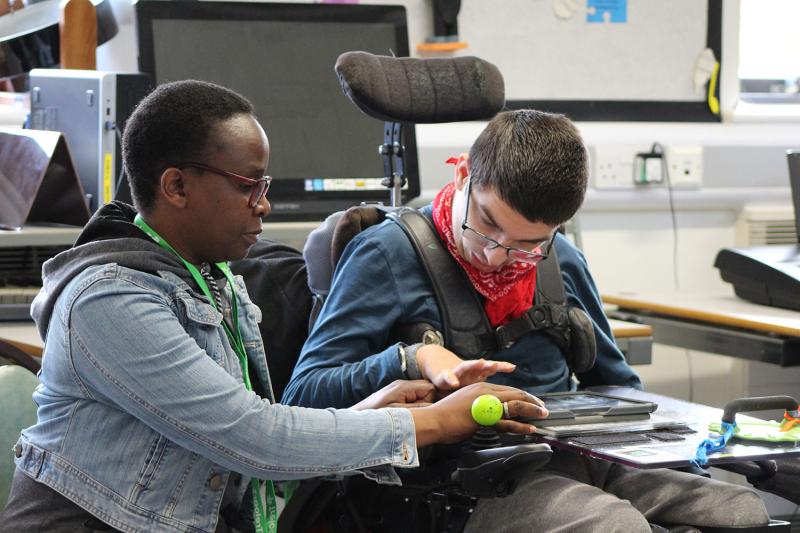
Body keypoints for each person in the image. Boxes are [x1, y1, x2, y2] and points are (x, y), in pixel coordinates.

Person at [0, 81, 547, 533]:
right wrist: (432, 422)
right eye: (248, 185)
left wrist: (368, 414)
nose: (264, 203)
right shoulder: (110, 300)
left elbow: (244, 438)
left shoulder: (215, 281)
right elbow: (254, 438)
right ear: (176, 186)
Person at [283, 110, 771, 532]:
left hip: (573, 456)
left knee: (739, 510)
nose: (497, 256)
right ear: (463, 176)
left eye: (525, 243)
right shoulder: (385, 254)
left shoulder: (562, 262)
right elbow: (302, 397)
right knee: (614, 525)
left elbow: (619, 384)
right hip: (460, 480)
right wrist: (410, 359)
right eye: (488, 224)